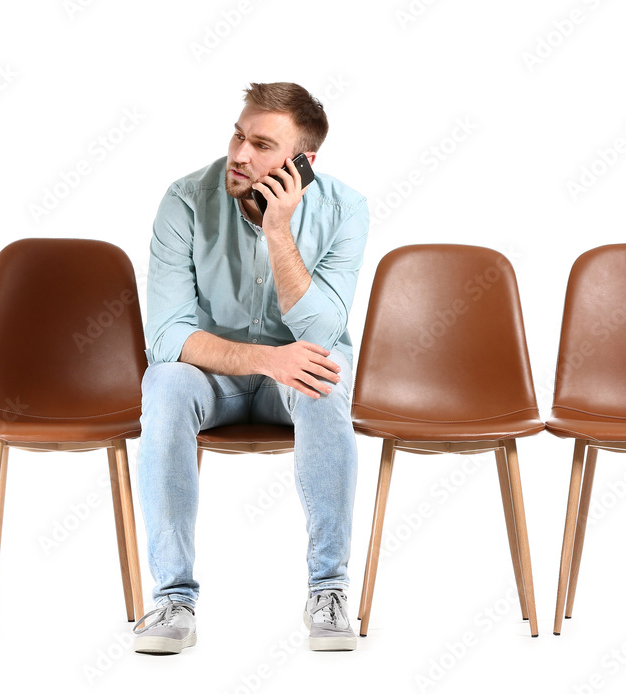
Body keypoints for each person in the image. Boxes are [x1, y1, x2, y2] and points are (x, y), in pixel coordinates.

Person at [132, 82, 368, 655]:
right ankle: (173, 598)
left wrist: (278, 230)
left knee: (325, 375)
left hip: (299, 379)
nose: (240, 155)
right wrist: (268, 358)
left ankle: (328, 590)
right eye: (239, 134)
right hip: (211, 381)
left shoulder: (344, 209)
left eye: (263, 145)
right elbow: (167, 338)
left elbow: (320, 335)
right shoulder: (186, 199)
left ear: (303, 164)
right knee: (162, 382)